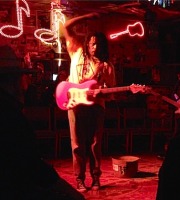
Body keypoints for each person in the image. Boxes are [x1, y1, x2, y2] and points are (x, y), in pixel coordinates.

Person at [0, 45, 85, 200]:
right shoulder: (11, 117)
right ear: (12, 81)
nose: (25, 85)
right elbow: (34, 168)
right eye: (22, 78)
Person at [62, 13, 116, 192]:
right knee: (77, 145)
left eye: (98, 43)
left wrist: (103, 93)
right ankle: (79, 180)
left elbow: (110, 94)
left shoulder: (107, 67)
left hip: (96, 107)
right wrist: (85, 17)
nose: (94, 46)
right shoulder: (76, 52)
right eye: (92, 43)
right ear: (87, 43)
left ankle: (95, 179)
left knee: (94, 144)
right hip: (75, 105)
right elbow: (66, 27)